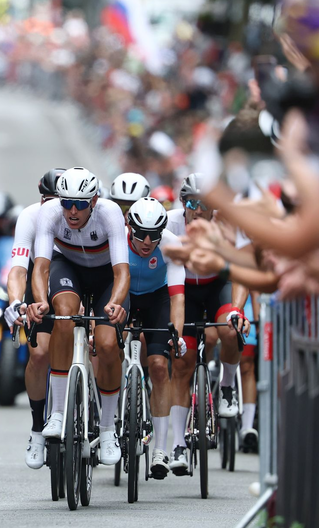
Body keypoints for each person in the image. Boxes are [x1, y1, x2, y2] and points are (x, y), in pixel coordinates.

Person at [28, 167, 129, 466]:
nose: (72, 211)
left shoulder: (110, 214)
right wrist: (39, 301)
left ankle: (108, 429)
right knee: (64, 314)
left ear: (94, 201)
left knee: (109, 345)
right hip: (68, 268)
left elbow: (122, 271)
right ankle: (58, 412)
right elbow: (41, 268)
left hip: (105, 276)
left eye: (80, 204)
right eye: (66, 203)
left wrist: (115, 303)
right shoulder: (50, 213)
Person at [165, 173, 248, 475]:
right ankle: (177, 445)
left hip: (217, 288)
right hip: (183, 292)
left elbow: (241, 273)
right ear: (182, 203)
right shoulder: (169, 223)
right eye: (190, 203)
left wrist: (237, 310)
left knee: (229, 329)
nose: (197, 210)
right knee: (182, 362)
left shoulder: (228, 228)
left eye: (204, 204)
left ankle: (227, 386)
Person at [3, 167, 64, 469]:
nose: (52, 206)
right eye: (47, 199)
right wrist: (16, 301)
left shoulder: (78, 216)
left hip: (73, 285)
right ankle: (37, 428)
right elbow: (17, 269)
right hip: (39, 289)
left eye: (59, 199)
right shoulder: (29, 217)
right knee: (39, 355)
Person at [124, 197, 186, 478]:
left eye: (154, 235)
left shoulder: (171, 244)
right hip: (122, 293)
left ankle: (160, 449)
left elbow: (177, 298)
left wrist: (178, 335)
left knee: (160, 367)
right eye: (140, 234)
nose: (147, 241)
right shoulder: (116, 239)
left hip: (156, 299)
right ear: (129, 227)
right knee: (105, 346)